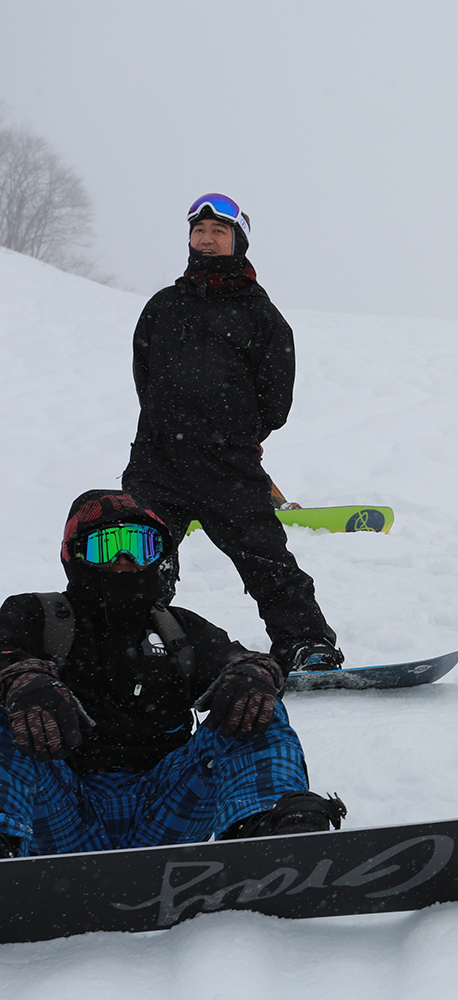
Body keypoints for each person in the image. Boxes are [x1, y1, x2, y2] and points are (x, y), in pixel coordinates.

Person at [0, 491, 344, 858]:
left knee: (255, 703)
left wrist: (253, 673)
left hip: (163, 809)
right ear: (75, 554)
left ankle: (265, 836)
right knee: (7, 711)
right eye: (106, 547)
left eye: (140, 546)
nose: (124, 561)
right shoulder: (36, 615)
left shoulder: (178, 629)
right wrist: (24, 680)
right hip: (61, 808)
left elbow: (242, 662)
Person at [121, 193, 341, 673]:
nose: (206, 239)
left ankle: (306, 644)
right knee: (136, 559)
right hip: (157, 462)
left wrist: (235, 433)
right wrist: (167, 425)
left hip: (228, 464)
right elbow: (145, 374)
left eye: (218, 232)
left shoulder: (260, 314)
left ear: (237, 241)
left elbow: (276, 396)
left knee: (267, 560)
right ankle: (126, 646)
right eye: (199, 231)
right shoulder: (163, 305)